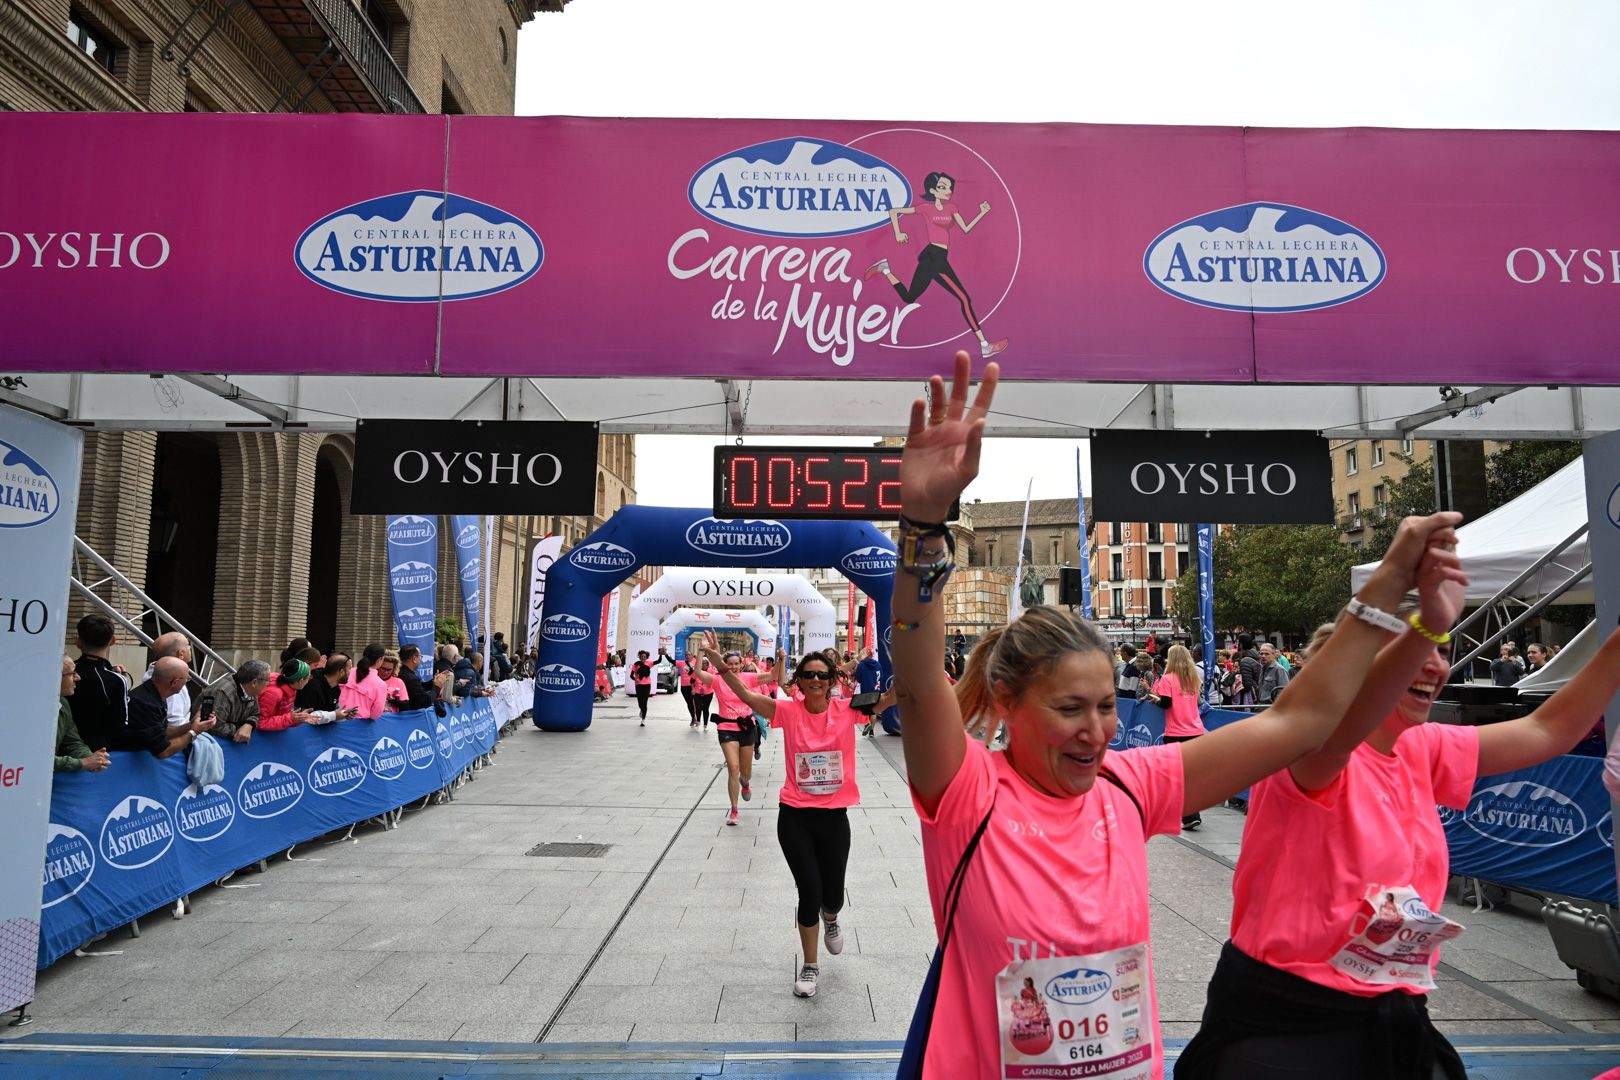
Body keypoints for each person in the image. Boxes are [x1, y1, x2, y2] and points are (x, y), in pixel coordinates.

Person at [885, 350, 1466, 1080]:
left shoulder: (1131, 788)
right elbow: (914, 670)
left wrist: (1384, 590)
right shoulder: (967, 792)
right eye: (1069, 709)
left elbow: (1299, 722)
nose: (1096, 730)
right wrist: (923, 523)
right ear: (1008, 703)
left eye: (1104, 705)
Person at [1179, 621, 1620, 1077]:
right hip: (1288, 1022)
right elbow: (1337, 732)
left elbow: (1547, 730)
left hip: (1391, 1010)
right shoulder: (1307, 746)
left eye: (1441, 649)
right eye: (1412, 649)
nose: (1438, 665)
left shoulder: (1418, 744)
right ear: (1354, 665)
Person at [698, 631, 894, 998]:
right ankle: (810, 964)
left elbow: (890, 700)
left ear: (832, 680)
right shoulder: (787, 711)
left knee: (832, 894)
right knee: (809, 890)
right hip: (795, 816)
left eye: (823, 675)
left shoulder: (849, 708)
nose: (816, 681)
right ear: (799, 682)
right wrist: (718, 663)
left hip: (834, 816)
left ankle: (832, 918)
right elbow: (744, 693)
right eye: (809, 676)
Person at [865, 171, 1008, 360]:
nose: (947, 190)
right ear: (933, 190)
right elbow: (894, 211)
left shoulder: (952, 208)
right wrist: (897, 233)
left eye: (949, 187)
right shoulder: (926, 208)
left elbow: (965, 229)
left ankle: (886, 270)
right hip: (934, 257)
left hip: (935, 258)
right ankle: (984, 345)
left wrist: (981, 213)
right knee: (964, 299)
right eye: (942, 187)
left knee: (909, 298)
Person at [693, 646, 785, 825]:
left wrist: (780, 658)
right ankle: (734, 810)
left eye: (736, 664)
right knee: (733, 768)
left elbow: (773, 675)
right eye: (730, 664)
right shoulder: (718, 680)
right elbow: (697, 672)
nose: (733, 667)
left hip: (747, 728)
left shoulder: (748, 678)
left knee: (745, 772)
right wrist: (701, 652)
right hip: (726, 727)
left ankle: (746, 782)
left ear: (741, 664)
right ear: (725, 665)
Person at [1146, 644, 1206, 830]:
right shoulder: (1193, 678)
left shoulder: (1168, 679)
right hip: (1196, 730)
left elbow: (1166, 704)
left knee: (1176, 776)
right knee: (1191, 776)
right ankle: (1191, 812)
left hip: (1176, 732)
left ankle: (1188, 815)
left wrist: (1154, 698)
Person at [121, 657, 215, 757]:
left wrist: (193, 724)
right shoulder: (146, 703)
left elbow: (163, 731)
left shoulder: (154, 693)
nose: (186, 682)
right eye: (186, 678)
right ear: (174, 682)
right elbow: (163, 751)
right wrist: (194, 732)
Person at [69, 614, 130, 752]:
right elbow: (120, 724)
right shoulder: (116, 680)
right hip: (99, 752)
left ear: (77, 642)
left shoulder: (63, 672)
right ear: (113, 641)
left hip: (61, 747)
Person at [56, 656, 110, 773]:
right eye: (72, 673)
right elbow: (39, 758)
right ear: (55, 676)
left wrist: (94, 758)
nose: (78, 677)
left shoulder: (63, 703)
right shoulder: (34, 710)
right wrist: (82, 763)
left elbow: (72, 742)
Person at [210, 660, 269, 745]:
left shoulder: (251, 690)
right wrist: (238, 728)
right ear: (254, 682)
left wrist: (249, 724)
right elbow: (214, 726)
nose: (268, 684)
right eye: (267, 681)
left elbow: (256, 714)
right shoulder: (223, 693)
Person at [143, 631, 194, 729]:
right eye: (188, 646)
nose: (190, 648)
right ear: (181, 654)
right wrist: (194, 729)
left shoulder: (158, 673)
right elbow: (175, 722)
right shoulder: (169, 680)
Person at [257, 659, 322, 731]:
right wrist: (291, 718)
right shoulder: (273, 694)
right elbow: (261, 722)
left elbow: (282, 717)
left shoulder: (290, 687)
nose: (308, 682)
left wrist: (299, 718)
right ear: (300, 681)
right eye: (308, 678)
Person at [398, 645, 451, 714]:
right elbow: (425, 701)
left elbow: (419, 687)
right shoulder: (410, 678)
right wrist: (437, 687)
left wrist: (433, 681)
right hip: (410, 717)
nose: (421, 659)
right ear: (414, 658)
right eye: (420, 656)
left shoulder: (403, 673)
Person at [344, 644, 390, 719]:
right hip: (360, 724)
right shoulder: (380, 684)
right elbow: (375, 714)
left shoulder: (348, 673)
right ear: (380, 659)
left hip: (338, 719)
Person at [630, 649, 654, 726]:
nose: (643, 658)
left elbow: (659, 661)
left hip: (647, 685)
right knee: (640, 702)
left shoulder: (649, 663)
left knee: (645, 702)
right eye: (642, 656)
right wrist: (635, 679)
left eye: (644, 656)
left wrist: (661, 654)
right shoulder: (636, 664)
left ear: (646, 657)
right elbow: (631, 675)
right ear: (639, 657)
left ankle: (643, 719)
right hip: (639, 685)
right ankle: (642, 709)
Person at [691, 657, 715, 729]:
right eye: (701, 663)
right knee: (698, 707)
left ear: (707, 664)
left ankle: (705, 724)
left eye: (704, 663)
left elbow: (715, 680)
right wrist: (693, 689)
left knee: (705, 708)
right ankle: (698, 721)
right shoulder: (697, 671)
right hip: (697, 692)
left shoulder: (711, 671)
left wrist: (710, 684)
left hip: (708, 692)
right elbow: (692, 681)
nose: (702, 665)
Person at [676, 653, 698, 728]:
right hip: (684, 686)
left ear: (692, 656)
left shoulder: (696, 662)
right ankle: (693, 718)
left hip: (694, 686)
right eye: (686, 655)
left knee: (695, 703)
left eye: (689, 655)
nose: (687, 656)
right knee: (689, 703)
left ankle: (697, 718)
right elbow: (671, 661)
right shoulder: (681, 663)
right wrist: (665, 654)